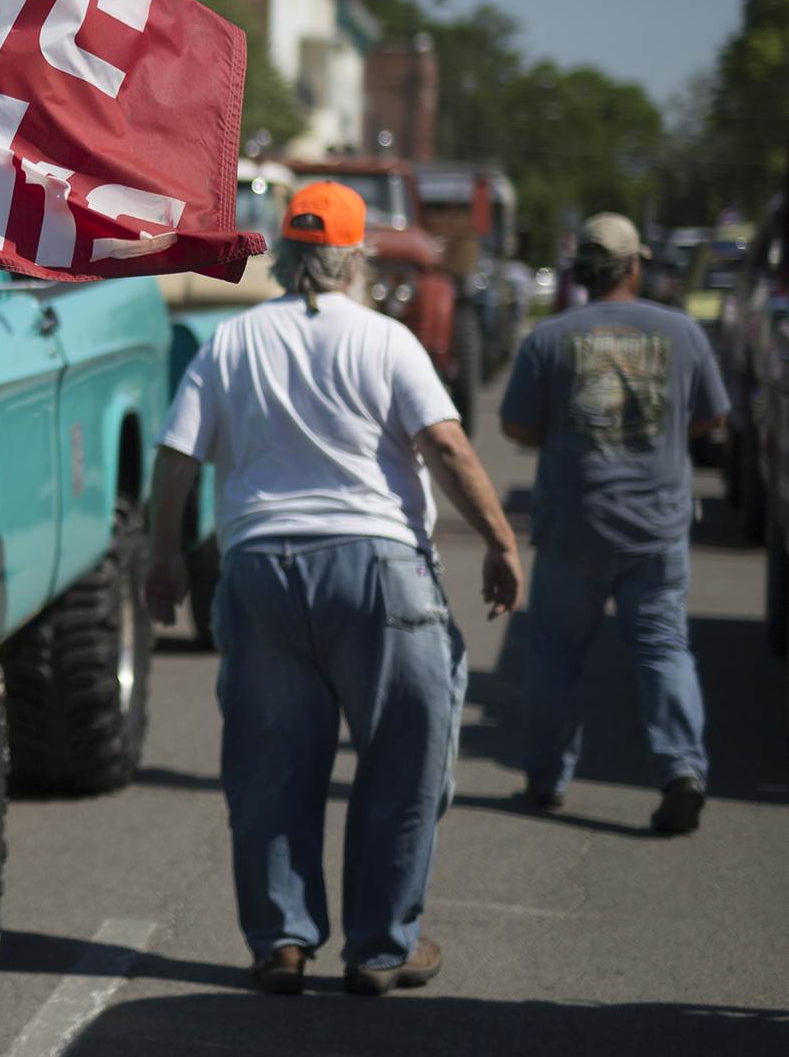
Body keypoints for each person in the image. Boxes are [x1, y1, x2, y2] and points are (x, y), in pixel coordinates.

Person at [148, 180, 524, 997]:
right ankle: (381, 947)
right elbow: (448, 447)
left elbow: (176, 457)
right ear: (355, 257)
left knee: (269, 764)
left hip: (259, 571)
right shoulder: (386, 341)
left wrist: (163, 559)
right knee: (402, 757)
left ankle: (282, 941)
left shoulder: (231, 341)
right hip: (376, 570)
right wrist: (499, 539)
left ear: (284, 254)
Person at [499, 212, 730, 835]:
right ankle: (681, 769)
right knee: (662, 648)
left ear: (579, 273)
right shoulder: (683, 333)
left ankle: (546, 778)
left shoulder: (549, 338)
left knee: (555, 655)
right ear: (636, 267)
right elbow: (712, 419)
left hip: (574, 524)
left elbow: (515, 426)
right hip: (656, 528)